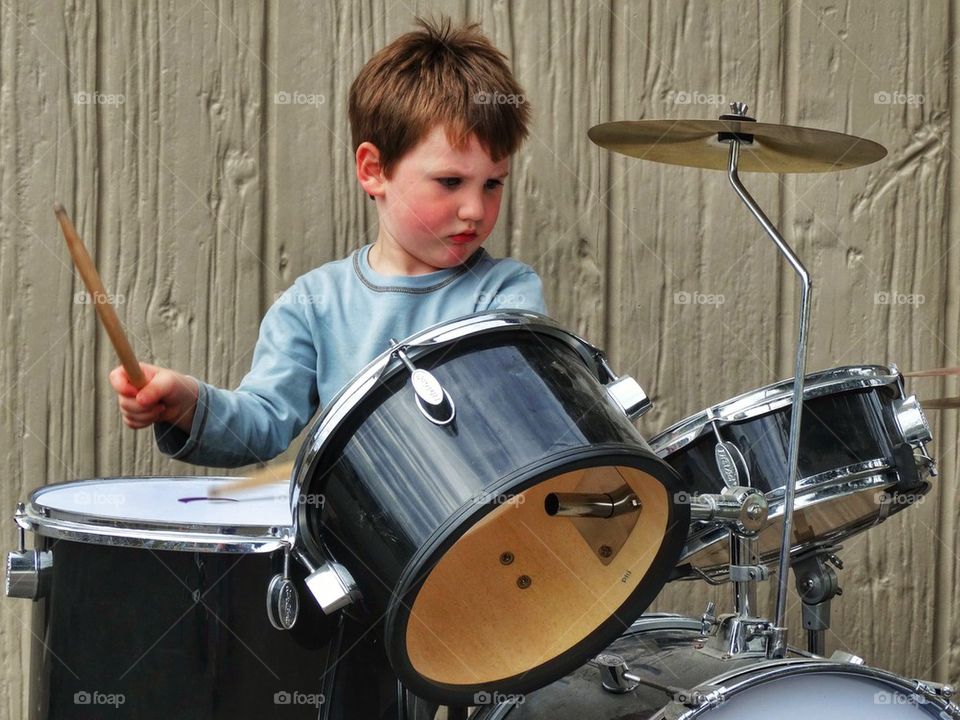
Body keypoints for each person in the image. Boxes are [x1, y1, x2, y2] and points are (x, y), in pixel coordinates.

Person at [109, 17, 546, 469]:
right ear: (373, 170)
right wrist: (189, 406)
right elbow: (263, 420)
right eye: (451, 181)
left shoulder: (505, 292)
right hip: (354, 533)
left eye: (493, 184)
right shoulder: (315, 303)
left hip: (485, 529)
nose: (475, 209)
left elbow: (522, 418)